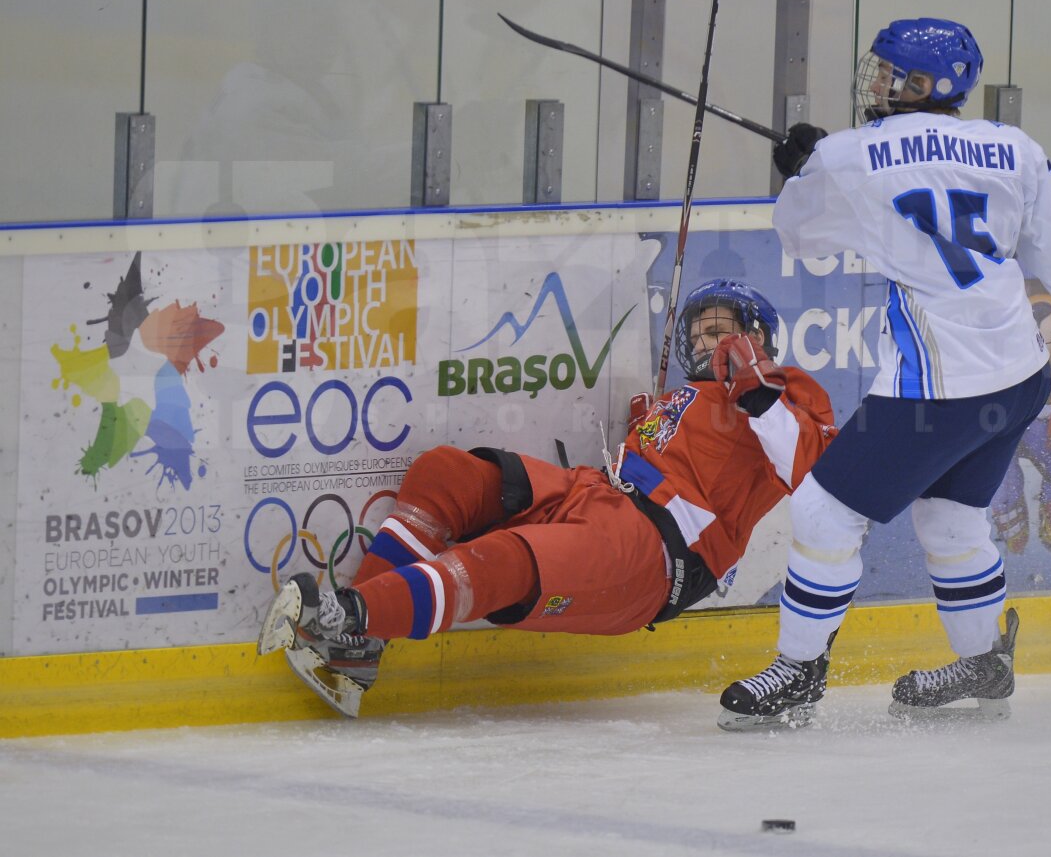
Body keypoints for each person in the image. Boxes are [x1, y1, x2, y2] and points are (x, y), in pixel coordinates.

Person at [718, 17, 1051, 731]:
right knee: (949, 515)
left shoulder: (853, 155)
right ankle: (985, 660)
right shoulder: (1010, 146)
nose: (877, 83)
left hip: (939, 385)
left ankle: (799, 671)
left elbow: (801, 235)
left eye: (891, 73)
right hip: (1018, 375)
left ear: (924, 85)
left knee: (823, 512)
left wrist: (804, 172)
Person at [259, 279, 837, 717]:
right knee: (446, 474)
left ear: (761, 339)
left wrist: (760, 395)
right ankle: (359, 646)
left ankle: (349, 615)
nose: (712, 343)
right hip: (596, 495)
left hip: (655, 550)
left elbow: (816, 473)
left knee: (505, 560)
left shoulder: (784, 393)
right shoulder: (686, 396)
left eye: (727, 331)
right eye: (702, 334)